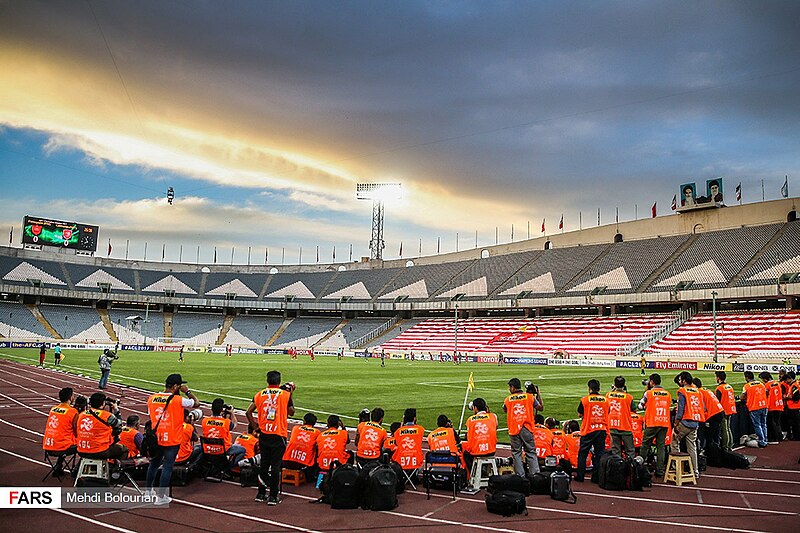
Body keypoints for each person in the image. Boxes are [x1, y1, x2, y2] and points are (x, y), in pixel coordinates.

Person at [145, 373, 200, 504]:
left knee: (153, 464)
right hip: (171, 439)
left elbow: (151, 416)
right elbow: (196, 403)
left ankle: (148, 491)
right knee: (167, 467)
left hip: (156, 438)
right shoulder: (178, 400)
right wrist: (188, 391)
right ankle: (161, 497)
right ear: (175, 386)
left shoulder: (152, 398)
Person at [246, 370, 294, 505]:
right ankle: (273, 496)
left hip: (264, 435)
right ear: (279, 381)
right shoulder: (285, 394)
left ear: (267, 381)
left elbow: (248, 412)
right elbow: (291, 412)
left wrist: (255, 427)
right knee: (276, 466)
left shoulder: (259, 394)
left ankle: (261, 493)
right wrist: (291, 395)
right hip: (279, 435)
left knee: (264, 465)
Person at [503, 378, 540, 476]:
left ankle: (520, 477)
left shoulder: (508, 399)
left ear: (512, 387)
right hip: (527, 427)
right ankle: (535, 475)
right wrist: (538, 393)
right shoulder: (529, 397)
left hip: (514, 429)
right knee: (531, 452)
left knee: (516, 453)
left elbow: (505, 409)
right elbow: (540, 407)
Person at [76, 392, 128, 460]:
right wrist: (116, 410)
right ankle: (114, 469)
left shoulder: (81, 415)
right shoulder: (107, 416)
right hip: (100, 450)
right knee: (124, 449)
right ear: (103, 403)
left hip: (81, 450)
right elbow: (119, 424)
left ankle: (77, 469)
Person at [639, 373, 671, 478]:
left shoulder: (649, 393)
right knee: (660, 446)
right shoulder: (667, 394)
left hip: (652, 422)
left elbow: (640, 406)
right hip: (664, 422)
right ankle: (660, 470)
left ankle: (640, 467)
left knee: (645, 445)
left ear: (652, 382)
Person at [670, 372, 702, 478]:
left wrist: (676, 423)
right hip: (695, 421)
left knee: (674, 441)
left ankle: (676, 468)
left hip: (685, 422)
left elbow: (680, 410)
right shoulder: (697, 391)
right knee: (692, 447)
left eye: (680, 380)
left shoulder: (682, 391)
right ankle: (695, 471)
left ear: (684, 380)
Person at [575, 379, 608, 482]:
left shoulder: (585, 400)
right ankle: (596, 477)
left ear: (589, 389)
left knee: (583, 453)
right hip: (601, 428)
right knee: (599, 454)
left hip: (588, 429)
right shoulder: (605, 400)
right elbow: (608, 411)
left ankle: (580, 476)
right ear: (599, 388)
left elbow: (580, 414)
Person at [43, 387, 78, 476]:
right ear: (70, 398)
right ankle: (77, 470)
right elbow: (76, 431)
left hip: (48, 446)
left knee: (61, 437)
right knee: (85, 446)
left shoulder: (53, 409)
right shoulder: (72, 411)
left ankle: (58, 466)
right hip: (62, 447)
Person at [461, 398, 497, 472]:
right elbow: (495, 427)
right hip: (491, 450)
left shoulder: (470, 420)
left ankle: (473, 472)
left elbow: (467, 435)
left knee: (465, 454)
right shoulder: (493, 416)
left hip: (476, 452)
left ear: (475, 408)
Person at [200, 398, 237, 470]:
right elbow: (235, 424)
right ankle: (228, 468)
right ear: (221, 410)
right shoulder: (226, 422)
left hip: (208, 448)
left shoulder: (205, 421)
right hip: (222, 450)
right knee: (242, 450)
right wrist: (231, 413)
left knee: (198, 447)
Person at [606, 376, 636, 458]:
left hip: (612, 426)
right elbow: (634, 408)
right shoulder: (628, 397)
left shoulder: (608, 395)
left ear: (614, 385)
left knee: (616, 451)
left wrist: (613, 391)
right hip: (625, 427)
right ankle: (631, 469)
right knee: (630, 451)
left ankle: (617, 469)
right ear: (624, 385)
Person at [283, 413, 320, 479]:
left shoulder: (295, 428)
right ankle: (313, 475)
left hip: (287, 461)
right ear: (314, 423)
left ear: (304, 421)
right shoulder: (317, 432)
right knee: (317, 450)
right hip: (304, 464)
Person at [694, 377, 724, 454]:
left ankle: (711, 454)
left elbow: (703, 408)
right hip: (720, 411)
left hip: (713, 414)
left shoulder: (699, 392)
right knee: (716, 435)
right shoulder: (706, 390)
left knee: (709, 437)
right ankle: (717, 453)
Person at [392, 408, 425, 474]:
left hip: (401, 464)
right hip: (416, 463)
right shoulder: (420, 429)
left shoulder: (398, 431)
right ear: (414, 418)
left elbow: (396, 443)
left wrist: (402, 426)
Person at [742, 371, 768, 448]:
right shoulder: (761, 384)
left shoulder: (747, 386)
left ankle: (761, 441)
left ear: (747, 378)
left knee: (757, 425)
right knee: (764, 424)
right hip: (764, 405)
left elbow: (742, 397)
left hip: (754, 407)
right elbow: (767, 393)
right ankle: (765, 439)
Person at [715, 371, 737, 451]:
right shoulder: (729, 386)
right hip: (730, 408)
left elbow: (717, 401)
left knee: (725, 429)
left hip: (724, 410)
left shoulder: (719, 388)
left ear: (718, 378)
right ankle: (730, 444)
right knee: (728, 428)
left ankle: (725, 446)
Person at [760, 371, 784, 443]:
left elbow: (765, 394)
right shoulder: (777, 383)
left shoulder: (767, 385)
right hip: (779, 404)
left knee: (771, 423)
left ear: (765, 379)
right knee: (777, 422)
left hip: (771, 405)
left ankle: (773, 438)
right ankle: (780, 437)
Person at [781, 372, 800, 440]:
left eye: (786, 381)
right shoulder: (793, 385)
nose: (786, 382)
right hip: (793, 406)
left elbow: (796, 397)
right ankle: (795, 436)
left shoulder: (794, 385)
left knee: (795, 423)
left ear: (789, 379)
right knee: (794, 423)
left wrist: (787, 397)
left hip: (794, 407)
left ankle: (796, 437)